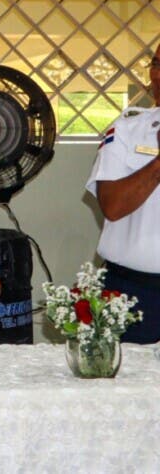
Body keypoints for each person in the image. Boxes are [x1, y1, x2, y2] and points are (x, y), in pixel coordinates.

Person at [84, 44, 160, 343]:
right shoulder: (128, 129)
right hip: (133, 292)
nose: (159, 73)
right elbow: (112, 205)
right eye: (156, 63)